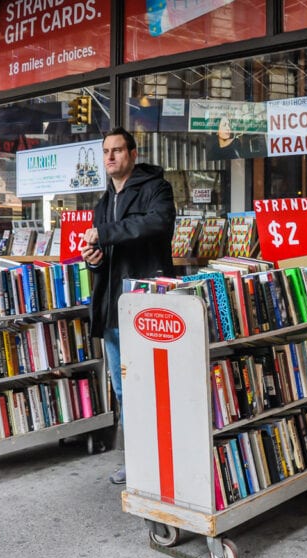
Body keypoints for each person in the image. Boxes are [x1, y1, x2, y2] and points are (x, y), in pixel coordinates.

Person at [81, 128, 176, 485]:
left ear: (132, 154)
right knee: (123, 390)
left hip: (147, 306)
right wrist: (93, 258)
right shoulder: (103, 203)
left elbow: (157, 224)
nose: (110, 157)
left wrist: (104, 235)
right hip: (112, 308)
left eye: (117, 150)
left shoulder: (156, 188)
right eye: (106, 151)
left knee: (155, 386)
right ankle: (136, 460)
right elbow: (103, 258)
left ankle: (163, 459)